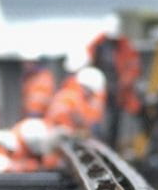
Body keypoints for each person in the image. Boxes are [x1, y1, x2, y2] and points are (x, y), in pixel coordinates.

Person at [87, 16, 141, 146]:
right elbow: (91, 62)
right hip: (100, 88)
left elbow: (134, 67)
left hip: (118, 91)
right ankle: (100, 143)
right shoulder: (98, 45)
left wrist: (124, 83)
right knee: (99, 119)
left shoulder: (125, 46)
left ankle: (112, 145)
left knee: (116, 121)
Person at [45, 65, 106, 133]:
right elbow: (76, 119)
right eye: (92, 92)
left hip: (65, 131)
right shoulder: (70, 97)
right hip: (56, 130)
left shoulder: (78, 97)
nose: (92, 95)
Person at [21, 54, 55, 119]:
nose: (24, 65)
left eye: (28, 62)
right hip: (29, 115)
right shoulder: (28, 78)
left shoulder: (43, 77)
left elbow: (39, 102)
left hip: (37, 115)